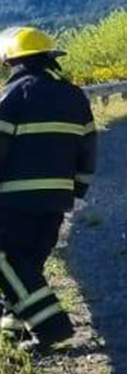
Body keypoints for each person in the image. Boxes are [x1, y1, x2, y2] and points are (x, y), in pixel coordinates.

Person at [0, 27, 96, 351]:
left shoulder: (13, 95)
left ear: (12, 61)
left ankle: (52, 327)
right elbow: (88, 148)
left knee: (8, 262)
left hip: (15, 200)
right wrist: (76, 192)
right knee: (28, 266)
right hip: (56, 200)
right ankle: (13, 330)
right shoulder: (73, 95)